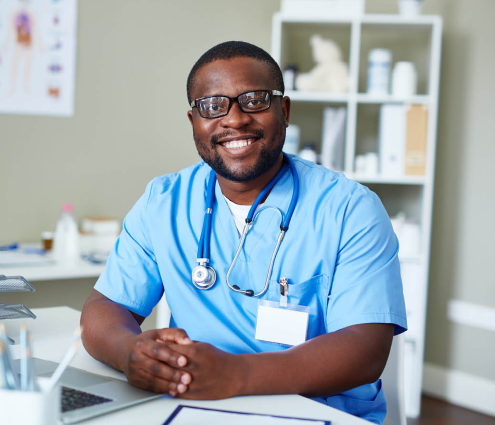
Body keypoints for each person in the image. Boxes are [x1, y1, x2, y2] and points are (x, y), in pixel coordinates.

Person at [81, 41, 407, 424]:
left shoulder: (350, 209)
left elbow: (365, 349)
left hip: (318, 413)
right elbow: (105, 308)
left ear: (283, 110)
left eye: (254, 100)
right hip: (197, 407)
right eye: (212, 106)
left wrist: (236, 375)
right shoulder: (164, 201)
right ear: (194, 123)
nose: (234, 119)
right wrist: (129, 351)